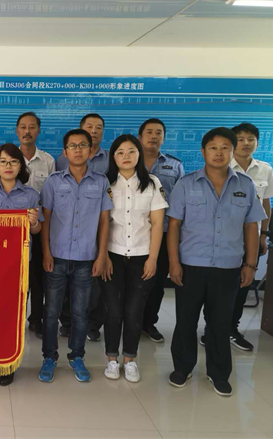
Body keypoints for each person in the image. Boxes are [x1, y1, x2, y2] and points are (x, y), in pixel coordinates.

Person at [167, 127, 266, 397]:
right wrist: (174, 263)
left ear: (232, 152)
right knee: (186, 320)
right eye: (213, 147)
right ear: (203, 151)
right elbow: (174, 225)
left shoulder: (245, 185)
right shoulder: (186, 183)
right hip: (191, 265)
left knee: (220, 323)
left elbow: (251, 226)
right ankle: (182, 368)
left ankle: (219, 373)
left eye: (225, 148)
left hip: (228, 267)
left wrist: (250, 265)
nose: (219, 153)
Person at [38, 129, 112, 384]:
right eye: (72, 146)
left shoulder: (101, 182)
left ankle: (77, 356)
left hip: (86, 258)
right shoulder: (53, 182)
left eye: (82, 145)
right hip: (56, 256)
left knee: (81, 312)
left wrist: (102, 255)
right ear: (65, 152)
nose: (78, 150)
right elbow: (46, 219)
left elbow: (105, 221)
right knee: (51, 311)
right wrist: (46, 252)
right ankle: (49, 357)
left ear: (91, 150)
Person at [100, 135, 168, 382]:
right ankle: (111, 359)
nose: (126, 156)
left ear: (139, 154)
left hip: (142, 256)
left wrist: (153, 258)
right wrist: (103, 256)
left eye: (131, 151)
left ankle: (129, 359)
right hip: (113, 256)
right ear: (113, 157)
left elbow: (157, 223)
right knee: (113, 310)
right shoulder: (105, 183)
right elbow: (102, 223)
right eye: (120, 152)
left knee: (134, 310)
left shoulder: (152, 183)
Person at [0, 143, 43, 386]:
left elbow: (37, 230)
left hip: (19, 265)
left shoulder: (31, 195)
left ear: (20, 167)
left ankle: (7, 363)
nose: (8, 166)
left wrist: (34, 222)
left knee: (12, 316)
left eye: (14, 162)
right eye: (3, 162)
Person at [57, 113, 109, 341]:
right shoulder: (60, 163)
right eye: (90, 126)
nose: (94, 130)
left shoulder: (109, 161)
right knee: (64, 288)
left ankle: (92, 325)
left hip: (91, 235)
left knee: (93, 287)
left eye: (98, 127)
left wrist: (103, 251)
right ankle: (67, 322)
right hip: (63, 236)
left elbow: (105, 214)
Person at [226, 123, 273, 351]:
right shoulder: (222, 166)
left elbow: (266, 204)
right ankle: (212, 329)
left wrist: (264, 234)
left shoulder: (265, 169)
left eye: (251, 139)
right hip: (225, 239)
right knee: (221, 287)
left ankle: (231, 329)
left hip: (252, 240)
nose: (246, 143)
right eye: (241, 139)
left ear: (257, 142)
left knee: (243, 285)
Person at [138, 118, 185, 343]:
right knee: (130, 280)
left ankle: (149, 323)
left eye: (158, 132)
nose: (154, 136)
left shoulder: (175, 165)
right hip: (133, 232)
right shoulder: (127, 159)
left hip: (165, 232)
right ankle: (129, 322)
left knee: (156, 282)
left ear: (164, 138)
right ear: (140, 137)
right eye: (149, 132)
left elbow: (180, 201)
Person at [16, 112, 54, 339]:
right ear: (17, 131)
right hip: (11, 231)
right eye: (23, 127)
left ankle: (36, 319)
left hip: (38, 228)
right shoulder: (8, 157)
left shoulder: (48, 161)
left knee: (38, 277)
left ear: (38, 130)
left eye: (31, 127)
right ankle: (15, 318)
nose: (27, 131)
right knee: (14, 278)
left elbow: (53, 197)